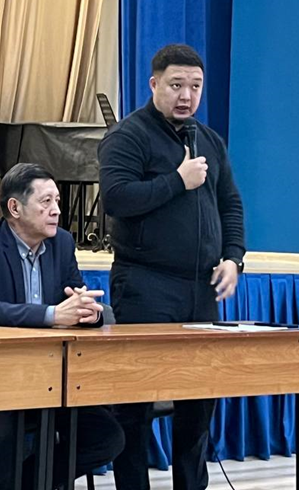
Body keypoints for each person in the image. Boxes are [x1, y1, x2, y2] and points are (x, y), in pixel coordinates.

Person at [98, 43, 246, 490]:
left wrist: (234, 258)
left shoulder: (208, 140)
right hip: (146, 284)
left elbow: (230, 204)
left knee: (198, 402)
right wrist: (177, 181)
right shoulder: (128, 136)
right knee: (135, 401)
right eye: (176, 85)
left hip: (200, 289)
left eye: (195, 87)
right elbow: (116, 199)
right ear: (154, 84)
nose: (186, 95)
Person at [0, 163, 125, 490]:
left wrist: (90, 313)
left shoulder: (62, 243)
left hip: (48, 377)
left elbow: (75, 296)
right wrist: (50, 315)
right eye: (46, 202)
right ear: (14, 207)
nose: (56, 210)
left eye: (57, 201)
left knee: (106, 437)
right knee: (7, 437)